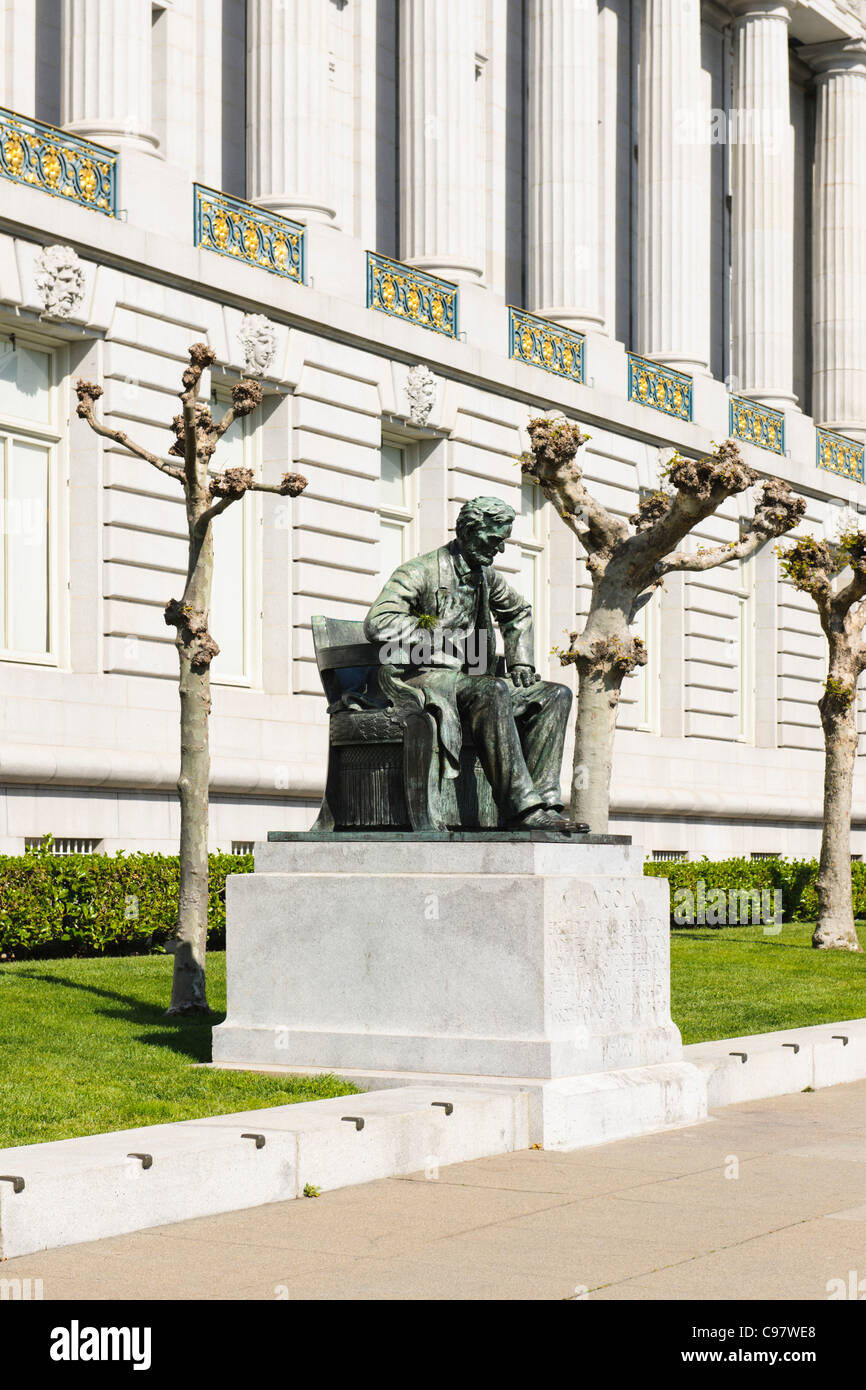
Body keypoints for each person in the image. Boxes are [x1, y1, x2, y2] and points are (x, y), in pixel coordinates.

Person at [364, 495, 581, 833]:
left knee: (555, 694)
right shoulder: (419, 571)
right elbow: (379, 623)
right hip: (424, 677)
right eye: (494, 540)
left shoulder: (486, 576)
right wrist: (436, 632)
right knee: (491, 689)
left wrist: (520, 660)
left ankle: (546, 802)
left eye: (503, 541)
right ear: (468, 530)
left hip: (471, 682)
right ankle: (521, 810)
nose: (500, 549)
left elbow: (519, 612)